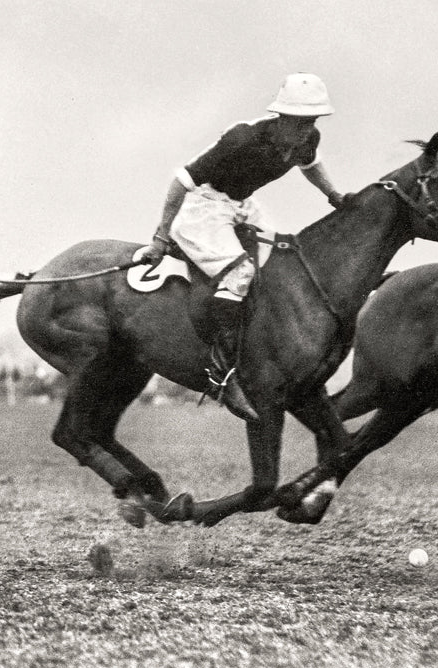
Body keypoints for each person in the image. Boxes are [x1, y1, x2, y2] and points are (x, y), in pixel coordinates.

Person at [136, 73, 346, 419]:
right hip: (205, 205)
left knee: (282, 260)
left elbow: (310, 165)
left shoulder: (309, 138)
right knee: (241, 273)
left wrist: (333, 194)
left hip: (243, 205)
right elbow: (180, 183)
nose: (307, 129)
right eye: (300, 122)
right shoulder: (242, 139)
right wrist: (160, 238)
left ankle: (265, 349)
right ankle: (222, 373)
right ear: (281, 116)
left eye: (312, 121)